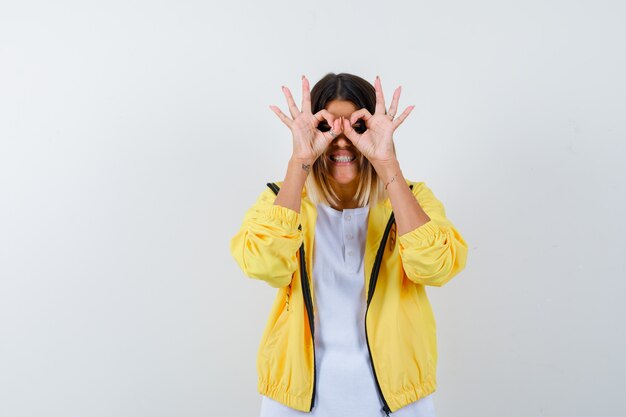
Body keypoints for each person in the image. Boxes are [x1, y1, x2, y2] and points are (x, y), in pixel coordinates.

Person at [229, 73, 469, 417]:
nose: (341, 141)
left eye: (357, 126)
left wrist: (387, 165)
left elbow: (436, 267)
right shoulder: (280, 199)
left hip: (399, 402)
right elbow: (262, 264)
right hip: (296, 402)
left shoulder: (412, 199)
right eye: (327, 128)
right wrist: (300, 161)